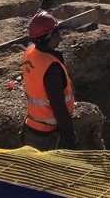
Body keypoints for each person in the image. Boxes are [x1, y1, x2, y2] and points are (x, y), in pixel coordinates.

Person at [21, 10, 78, 151]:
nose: (60, 38)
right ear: (48, 37)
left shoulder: (30, 52)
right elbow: (59, 108)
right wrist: (71, 137)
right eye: (57, 33)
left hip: (31, 128)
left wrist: (46, 6)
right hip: (48, 136)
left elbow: (36, 29)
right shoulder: (50, 68)